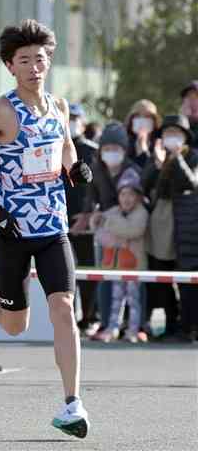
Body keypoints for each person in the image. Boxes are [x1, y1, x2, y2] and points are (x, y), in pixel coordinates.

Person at [0, 19, 93, 438]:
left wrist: (74, 166)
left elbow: (65, 144)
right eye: (25, 61)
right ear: (10, 66)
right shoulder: (0, 110)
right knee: (13, 325)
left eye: (41, 59)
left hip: (52, 225)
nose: (35, 67)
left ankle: (72, 402)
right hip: (11, 228)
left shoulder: (59, 106)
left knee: (63, 308)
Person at [77, 121, 141, 333]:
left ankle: (134, 325)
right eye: (107, 149)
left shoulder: (133, 170)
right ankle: (106, 323)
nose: (111, 153)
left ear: (124, 150)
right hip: (105, 231)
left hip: (130, 231)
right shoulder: (97, 169)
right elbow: (91, 196)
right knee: (105, 277)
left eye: (116, 149)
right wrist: (87, 216)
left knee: (134, 281)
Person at [143, 114, 198, 341]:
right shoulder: (156, 157)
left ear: (185, 137)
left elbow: (191, 183)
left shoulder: (193, 156)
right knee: (162, 278)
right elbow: (144, 185)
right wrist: (157, 164)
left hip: (187, 224)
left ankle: (189, 327)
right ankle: (170, 324)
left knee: (186, 279)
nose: (172, 138)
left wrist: (176, 159)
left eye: (176, 134)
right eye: (167, 133)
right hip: (161, 224)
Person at [91, 172, 148, 342]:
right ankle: (112, 328)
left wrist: (111, 226)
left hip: (135, 266)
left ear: (138, 197)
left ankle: (133, 330)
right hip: (116, 267)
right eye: (123, 194)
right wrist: (98, 222)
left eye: (131, 194)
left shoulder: (141, 213)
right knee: (116, 299)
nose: (127, 198)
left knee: (134, 300)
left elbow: (134, 230)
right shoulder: (113, 211)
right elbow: (100, 235)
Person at [64, 103, 99, 334]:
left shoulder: (92, 150)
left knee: (87, 271)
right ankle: (68, 318)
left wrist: (86, 214)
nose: (73, 122)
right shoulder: (57, 147)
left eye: (77, 118)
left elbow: (96, 186)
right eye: (70, 118)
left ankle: (89, 317)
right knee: (64, 273)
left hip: (84, 222)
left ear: (84, 123)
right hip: (59, 219)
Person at [124, 99, 160, 169]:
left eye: (147, 116)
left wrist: (143, 153)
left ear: (154, 120)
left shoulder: (160, 145)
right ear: (131, 119)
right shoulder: (123, 142)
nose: (142, 119)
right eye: (138, 116)